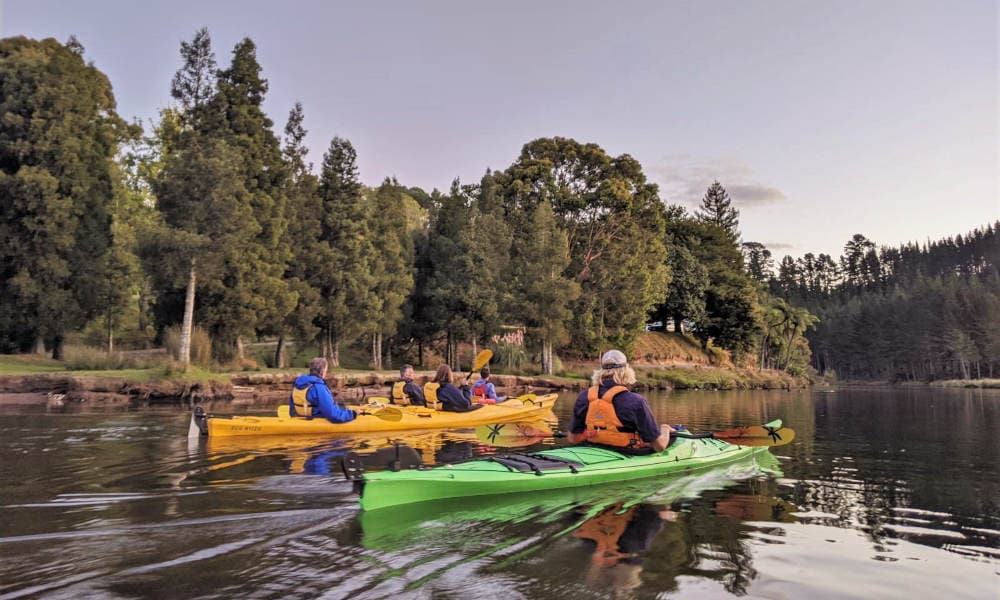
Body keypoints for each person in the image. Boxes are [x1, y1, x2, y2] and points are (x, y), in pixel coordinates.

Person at [567, 349, 673, 453]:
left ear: (600, 372)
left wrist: (596, 433)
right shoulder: (636, 401)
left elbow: (573, 439)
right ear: (626, 371)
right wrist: (665, 429)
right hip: (626, 453)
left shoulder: (584, 397)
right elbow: (659, 446)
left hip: (593, 451)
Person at [289, 357, 357, 423]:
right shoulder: (319, 388)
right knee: (342, 409)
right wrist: (353, 414)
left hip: (300, 419)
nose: (326, 373)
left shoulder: (297, 385)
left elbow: (292, 411)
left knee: (340, 406)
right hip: (317, 421)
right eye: (326, 370)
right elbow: (333, 415)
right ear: (322, 372)